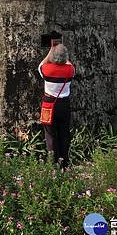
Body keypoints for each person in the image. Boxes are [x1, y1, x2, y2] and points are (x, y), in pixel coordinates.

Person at [38, 39, 75, 169]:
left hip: (49, 105)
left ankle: (54, 164)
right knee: (64, 133)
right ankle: (65, 163)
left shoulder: (46, 70)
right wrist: (60, 50)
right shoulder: (70, 70)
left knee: (50, 135)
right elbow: (68, 62)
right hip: (64, 105)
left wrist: (51, 50)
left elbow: (41, 64)